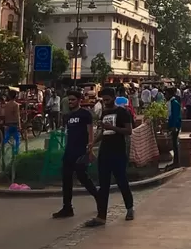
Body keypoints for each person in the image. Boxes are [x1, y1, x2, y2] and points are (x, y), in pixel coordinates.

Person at [86, 87, 134, 227]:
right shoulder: (105, 112)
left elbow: (128, 131)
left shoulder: (123, 112)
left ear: (114, 98)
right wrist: (93, 142)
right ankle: (101, 216)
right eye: (103, 100)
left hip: (118, 151)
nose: (105, 102)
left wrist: (112, 128)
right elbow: (102, 132)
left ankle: (129, 208)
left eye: (108, 99)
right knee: (103, 184)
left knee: (122, 181)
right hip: (105, 151)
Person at [51, 92, 97, 220]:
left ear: (79, 100)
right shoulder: (69, 116)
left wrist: (90, 149)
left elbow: (90, 132)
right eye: (69, 100)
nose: (70, 102)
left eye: (73, 100)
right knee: (66, 180)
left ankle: (99, 200)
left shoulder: (85, 114)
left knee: (84, 178)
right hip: (69, 152)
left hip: (81, 151)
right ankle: (67, 207)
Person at [166, 87, 183, 167]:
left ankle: (177, 161)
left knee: (175, 144)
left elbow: (175, 116)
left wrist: (174, 126)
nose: (165, 96)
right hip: (172, 125)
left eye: (166, 94)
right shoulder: (170, 102)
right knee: (173, 143)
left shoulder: (174, 103)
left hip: (175, 126)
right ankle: (175, 161)